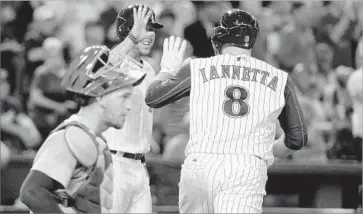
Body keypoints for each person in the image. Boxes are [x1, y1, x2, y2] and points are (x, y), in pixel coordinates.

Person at [145, 9, 308, 213]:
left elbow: (153, 97)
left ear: (221, 36)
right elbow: (297, 139)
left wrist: (167, 69)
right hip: (246, 166)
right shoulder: (280, 78)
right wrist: (270, 149)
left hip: (200, 164)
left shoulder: (196, 66)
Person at [19, 45, 146, 213]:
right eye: (124, 97)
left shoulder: (94, 139)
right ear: (100, 97)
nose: (129, 106)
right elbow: (32, 192)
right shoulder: (70, 136)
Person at [102, 4, 163, 213]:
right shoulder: (115, 64)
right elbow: (102, 68)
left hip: (139, 166)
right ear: (126, 30)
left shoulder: (149, 68)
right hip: (114, 164)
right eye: (143, 28)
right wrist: (132, 39)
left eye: (152, 29)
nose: (150, 34)